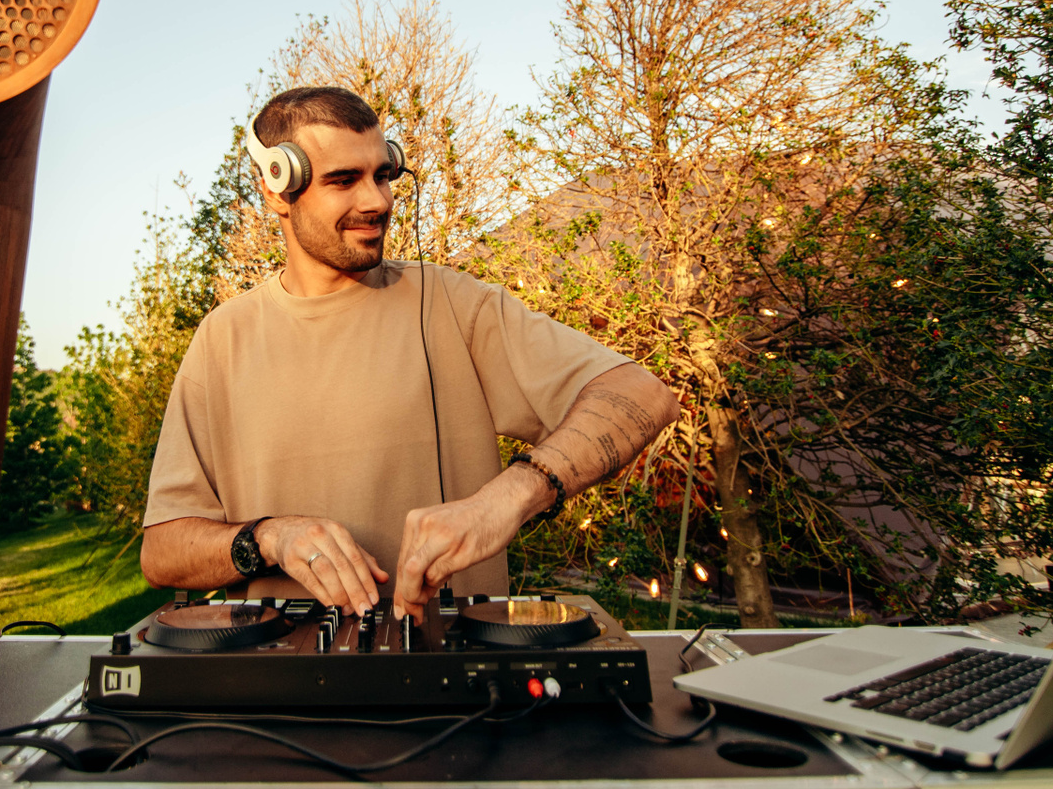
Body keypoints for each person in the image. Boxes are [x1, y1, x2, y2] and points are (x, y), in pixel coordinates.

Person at [139, 86, 680, 622]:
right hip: (283, 674)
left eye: (383, 174)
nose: (377, 201)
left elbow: (641, 395)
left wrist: (507, 499)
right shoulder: (221, 339)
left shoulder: (455, 303)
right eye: (344, 180)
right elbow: (163, 552)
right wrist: (269, 538)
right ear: (278, 189)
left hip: (454, 669)